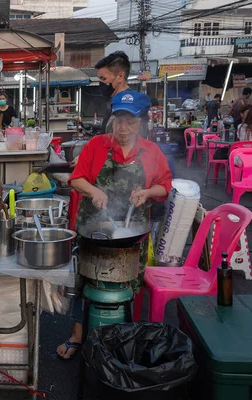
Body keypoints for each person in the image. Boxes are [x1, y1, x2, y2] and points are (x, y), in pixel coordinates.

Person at [56, 91, 173, 360]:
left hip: (130, 235)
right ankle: (77, 335)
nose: (123, 128)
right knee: (82, 282)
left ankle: (123, 337)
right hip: (92, 228)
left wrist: (146, 193)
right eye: (119, 121)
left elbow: (164, 186)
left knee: (128, 284)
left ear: (142, 123)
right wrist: (95, 192)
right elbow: (76, 179)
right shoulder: (97, 145)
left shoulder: (151, 151)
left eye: (130, 122)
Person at [95, 51, 138, 134]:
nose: (101, 83)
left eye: (104, 79)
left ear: (120, 76)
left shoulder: (128, 104)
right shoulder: (114, 102)